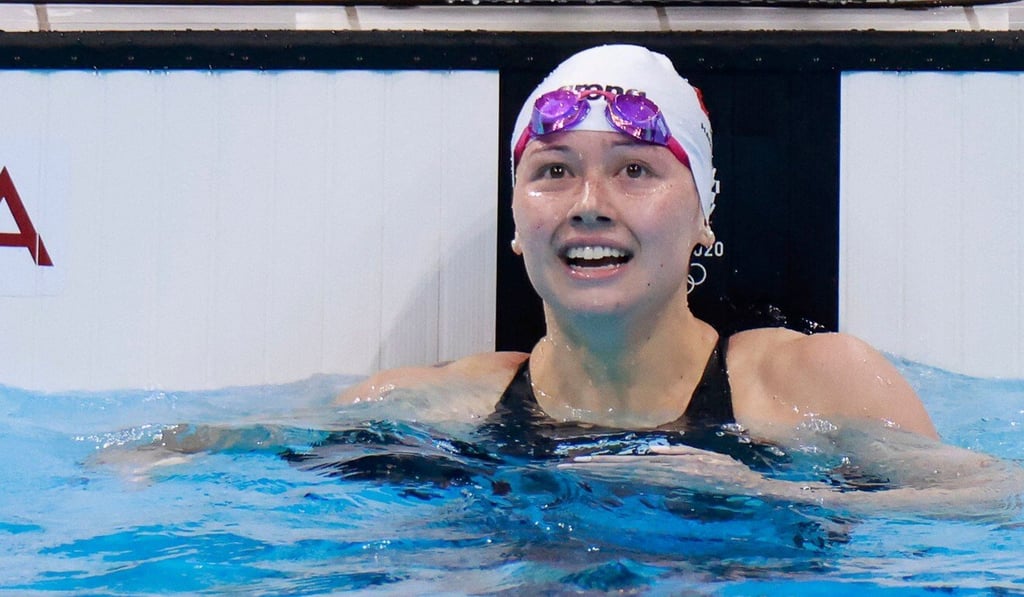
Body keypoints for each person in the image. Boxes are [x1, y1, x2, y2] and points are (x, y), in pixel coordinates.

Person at [337, 44, 937, 447]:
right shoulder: (421, 412)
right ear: (517, 224)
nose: (589, 202)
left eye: (634, 171)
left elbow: (978, 520)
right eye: (553, 171)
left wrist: (743, 490)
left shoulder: (823, 387)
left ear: (704, 214)